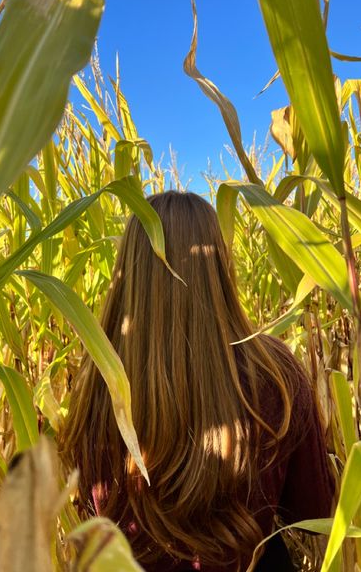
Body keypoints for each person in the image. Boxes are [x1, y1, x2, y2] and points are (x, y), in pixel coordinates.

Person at [60, 191, 334, 571]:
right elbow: (315, 510)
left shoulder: (97, 385)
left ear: (128, 276)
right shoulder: (274, 371)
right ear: (220, 267)